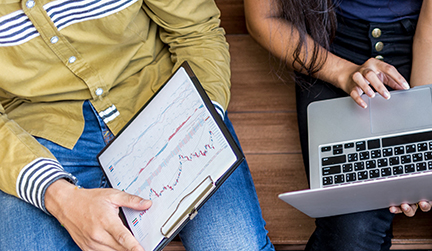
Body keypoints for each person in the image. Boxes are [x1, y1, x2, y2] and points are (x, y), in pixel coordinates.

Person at [0, 0, 275, 250]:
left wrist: (196, 122)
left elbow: (196, 32)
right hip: (33, 137)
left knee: (235, 246)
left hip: (162, 101)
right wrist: (57, 195)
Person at [244, 0, 432, 249]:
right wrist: (342, 72)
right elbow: (263, 18)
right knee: (350, 227)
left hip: (429, 36)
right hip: (328, 42)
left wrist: (419, 140)